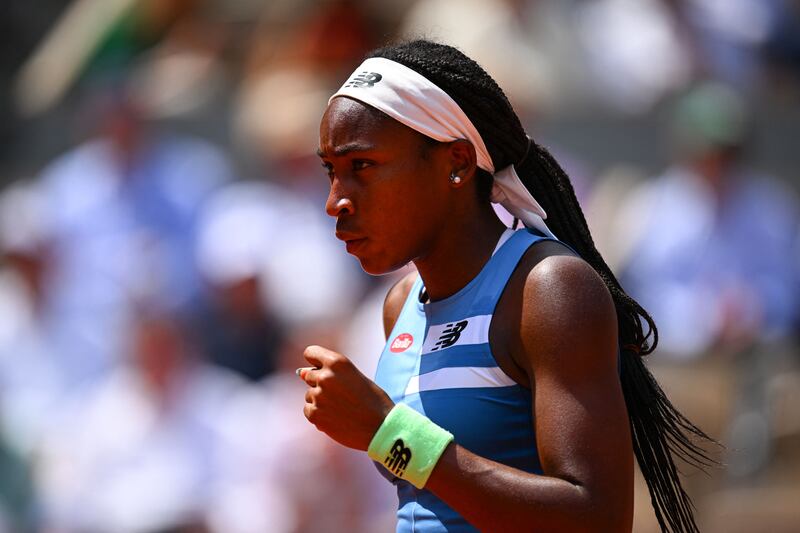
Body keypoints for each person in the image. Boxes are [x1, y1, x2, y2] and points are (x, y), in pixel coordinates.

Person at [299, 40, 713, 533]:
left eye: (361, 166)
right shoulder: (400, 305)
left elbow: (597, 517)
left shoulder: (549, 290)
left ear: (454, 162)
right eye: (332, 172)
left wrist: (389, 432)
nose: (335, 201)